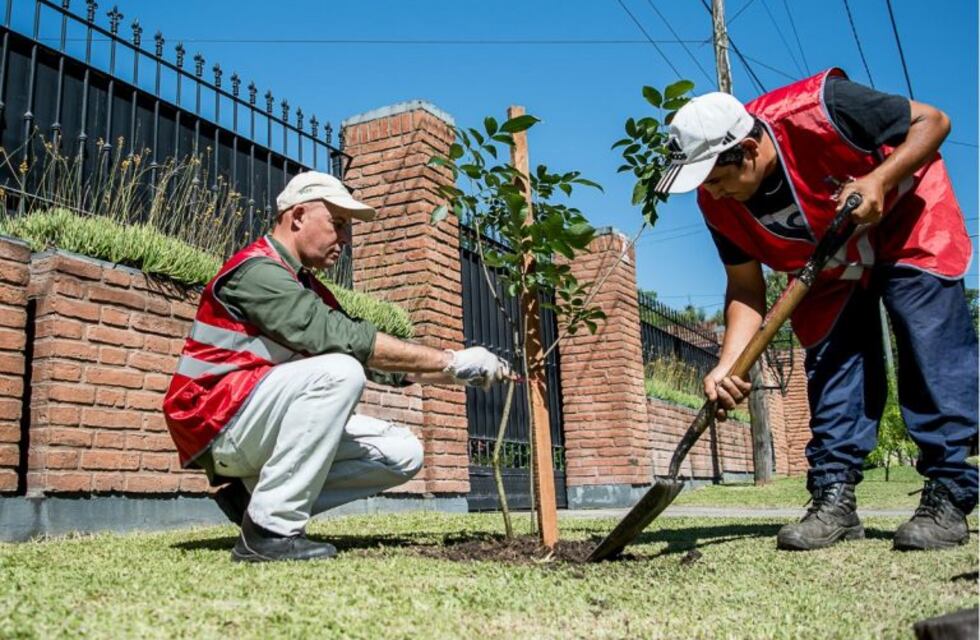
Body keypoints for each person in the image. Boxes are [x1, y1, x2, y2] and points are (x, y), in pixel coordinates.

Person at [656, 68, 976, 552]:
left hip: (907, 218)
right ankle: (834, 497)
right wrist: (727, 364)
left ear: (746, 150)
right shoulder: (716, 201)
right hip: (827, 258)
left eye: (717, 178)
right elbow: (744, 287)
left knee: (927, 344)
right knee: (832, 366)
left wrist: (878, 178)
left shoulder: (822, 107)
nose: (712, 192)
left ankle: (949, 493)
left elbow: (934, 122)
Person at [163, 171, 511, 562]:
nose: (345, 239)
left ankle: (250, 500)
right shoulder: (256, 272)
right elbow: (346, 340)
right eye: (338, 224)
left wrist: (462, 370)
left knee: (403, 452)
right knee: (340, 370)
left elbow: (380, 365)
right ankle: (268, 531)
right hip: (215, 421)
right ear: (297, 216)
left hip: (249, 417)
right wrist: (451, 360)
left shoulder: (305, 285)